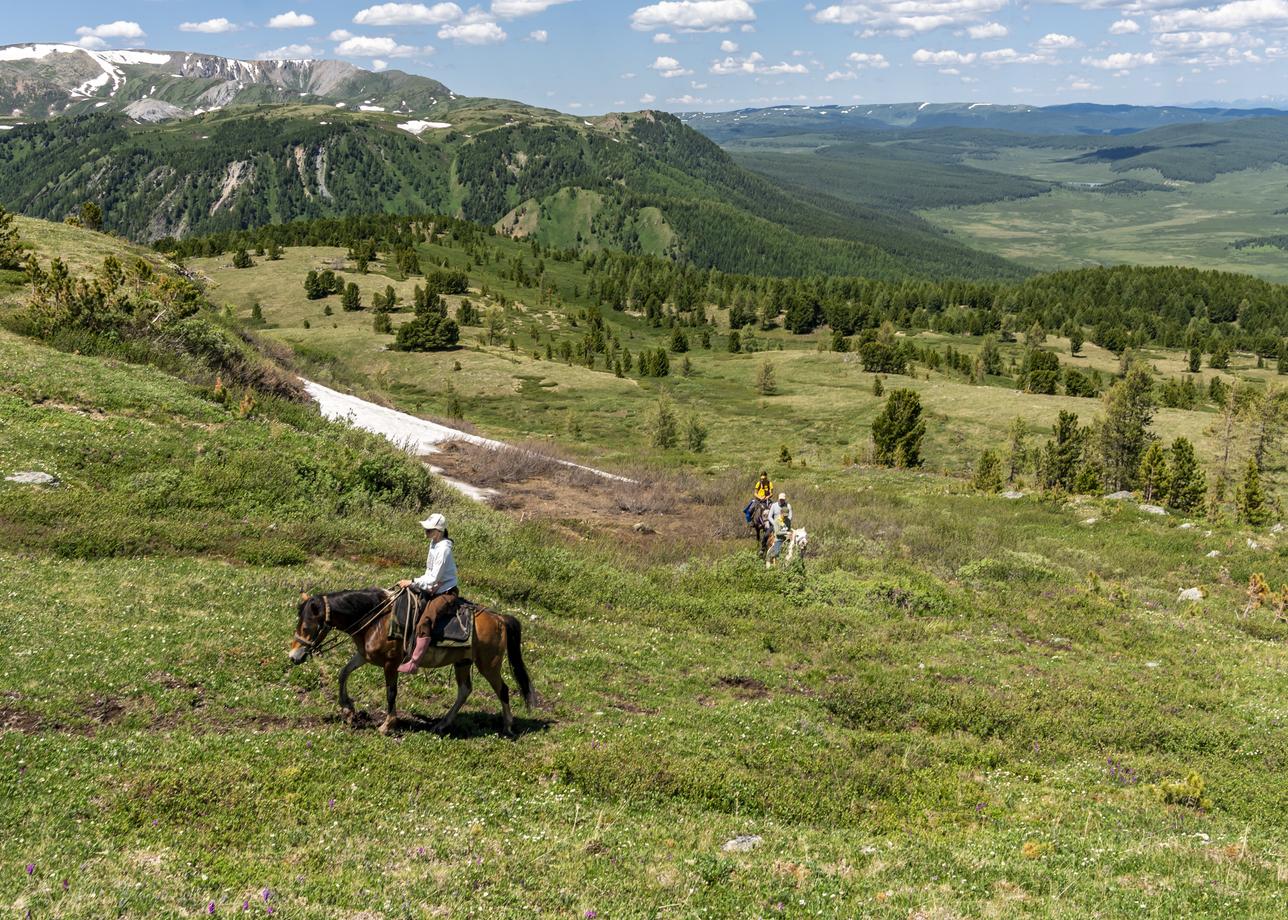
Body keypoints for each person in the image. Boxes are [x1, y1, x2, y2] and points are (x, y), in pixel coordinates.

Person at [397, 513, 459, 674]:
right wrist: (416, 583)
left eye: (429, 530)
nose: (426, 532)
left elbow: (433, 579)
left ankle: (414, 663)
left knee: (425, 621)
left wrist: (412, 582)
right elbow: (428, 573)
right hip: (433, 588)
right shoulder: (433, 543)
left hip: (445, 592)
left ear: (438, 531)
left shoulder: (443, 550)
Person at [766, 493, 794, 564]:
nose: (781, 500)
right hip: (775, 525)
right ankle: (766, 552)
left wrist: (786, 524)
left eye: (783, 499)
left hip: (785, 526)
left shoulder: (788, 506)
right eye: (780, 499)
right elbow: (769, 517)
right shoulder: (774, 505)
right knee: (766, 535)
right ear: (778, 499)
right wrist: (776, 524)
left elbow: (790, 517)